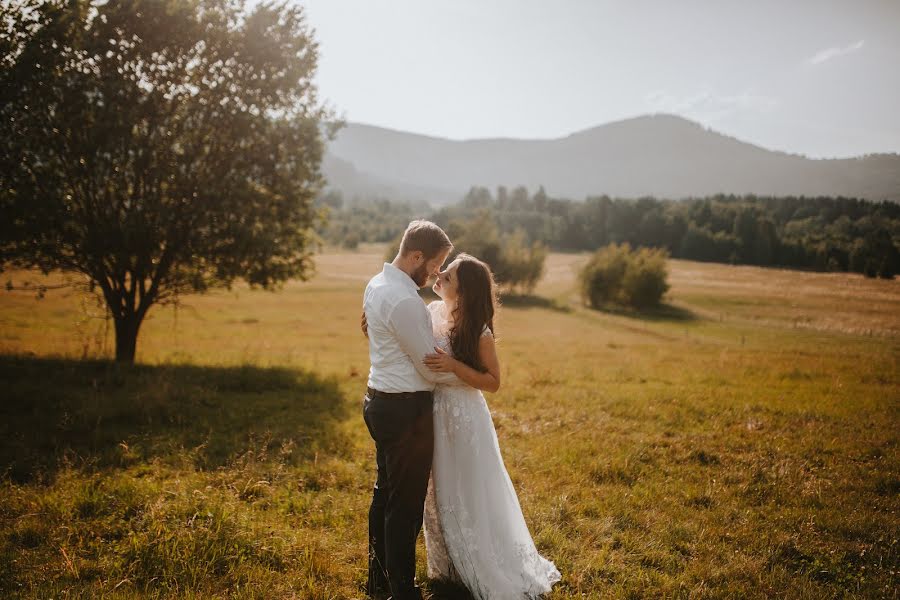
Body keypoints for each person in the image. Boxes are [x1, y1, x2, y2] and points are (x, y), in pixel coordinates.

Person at [421, 253, 561, 599]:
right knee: (436, 492)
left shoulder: (478, 332)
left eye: (448, 275)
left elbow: (493, 381)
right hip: (434, 414)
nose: (439, 275)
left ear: (464, 292)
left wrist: (453, 366)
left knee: (467, 490)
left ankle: (480, 562)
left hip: (466, 418)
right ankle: (447, 567)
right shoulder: (431, 313)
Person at [361, 220, 461, 600]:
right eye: (435, 264)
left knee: (384, 495)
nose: (437, 273)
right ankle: (402, 591)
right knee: (404, 506)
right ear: (416, 256)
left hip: (380, 399)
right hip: (405, 412)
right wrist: (468, 379)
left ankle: (379, 582)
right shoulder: (404, 300)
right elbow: (428, 365)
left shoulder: (377, 283)